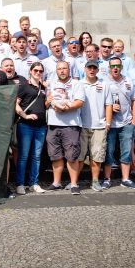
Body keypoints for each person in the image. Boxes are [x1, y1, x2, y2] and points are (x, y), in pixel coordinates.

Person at [45, 61, 86, 194]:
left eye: (64, 68)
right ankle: (56, 182)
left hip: (71, 124)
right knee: (55, 155)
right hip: (53, 123)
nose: (62, 71)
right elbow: (46, 103)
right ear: (56, 71)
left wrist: (66, 108)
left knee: (71, 155)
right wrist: (49, 102)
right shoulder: (51, 83)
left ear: (69, 70)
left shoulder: (77, 84)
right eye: (59, 69)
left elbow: (80, 102)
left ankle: (74, 184)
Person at [103, 57, 135, 189]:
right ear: (109, 67)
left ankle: (126, 179)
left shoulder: (128, 80)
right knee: (109, 152)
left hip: (126, 122)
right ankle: (107, 179)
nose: (115, 68)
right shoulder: (104, 81)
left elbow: (134, 101)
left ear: (122, 67)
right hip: (110, 123)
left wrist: (134, 121)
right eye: (113, 66)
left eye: (118, 66)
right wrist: (110, 107)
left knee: (126, 152)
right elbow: (100, 102)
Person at [78, 61, 112, 192]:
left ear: (97, 70)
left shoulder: (104, 85)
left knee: (97, 156)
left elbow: (108, 104)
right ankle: (75, 181)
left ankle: (95, 181)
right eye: (89, 67)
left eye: (94, 68)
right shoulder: (79, 84)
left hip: (99, 125)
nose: (92, 70)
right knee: (79, 156)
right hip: (81, 125)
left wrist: (108, 123)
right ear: (85, 69)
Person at [15, 61, 47, 194]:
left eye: (40, 71)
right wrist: (25, 116)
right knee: (23, 156)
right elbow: (16, 105)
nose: (38, 73)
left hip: (41, 126)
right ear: (30, 71)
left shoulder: (44, 88)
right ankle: (20, 184)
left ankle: (34, 183)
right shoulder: (24, 86)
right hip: (26, 126)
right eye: (36, 71)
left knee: (37, 156)